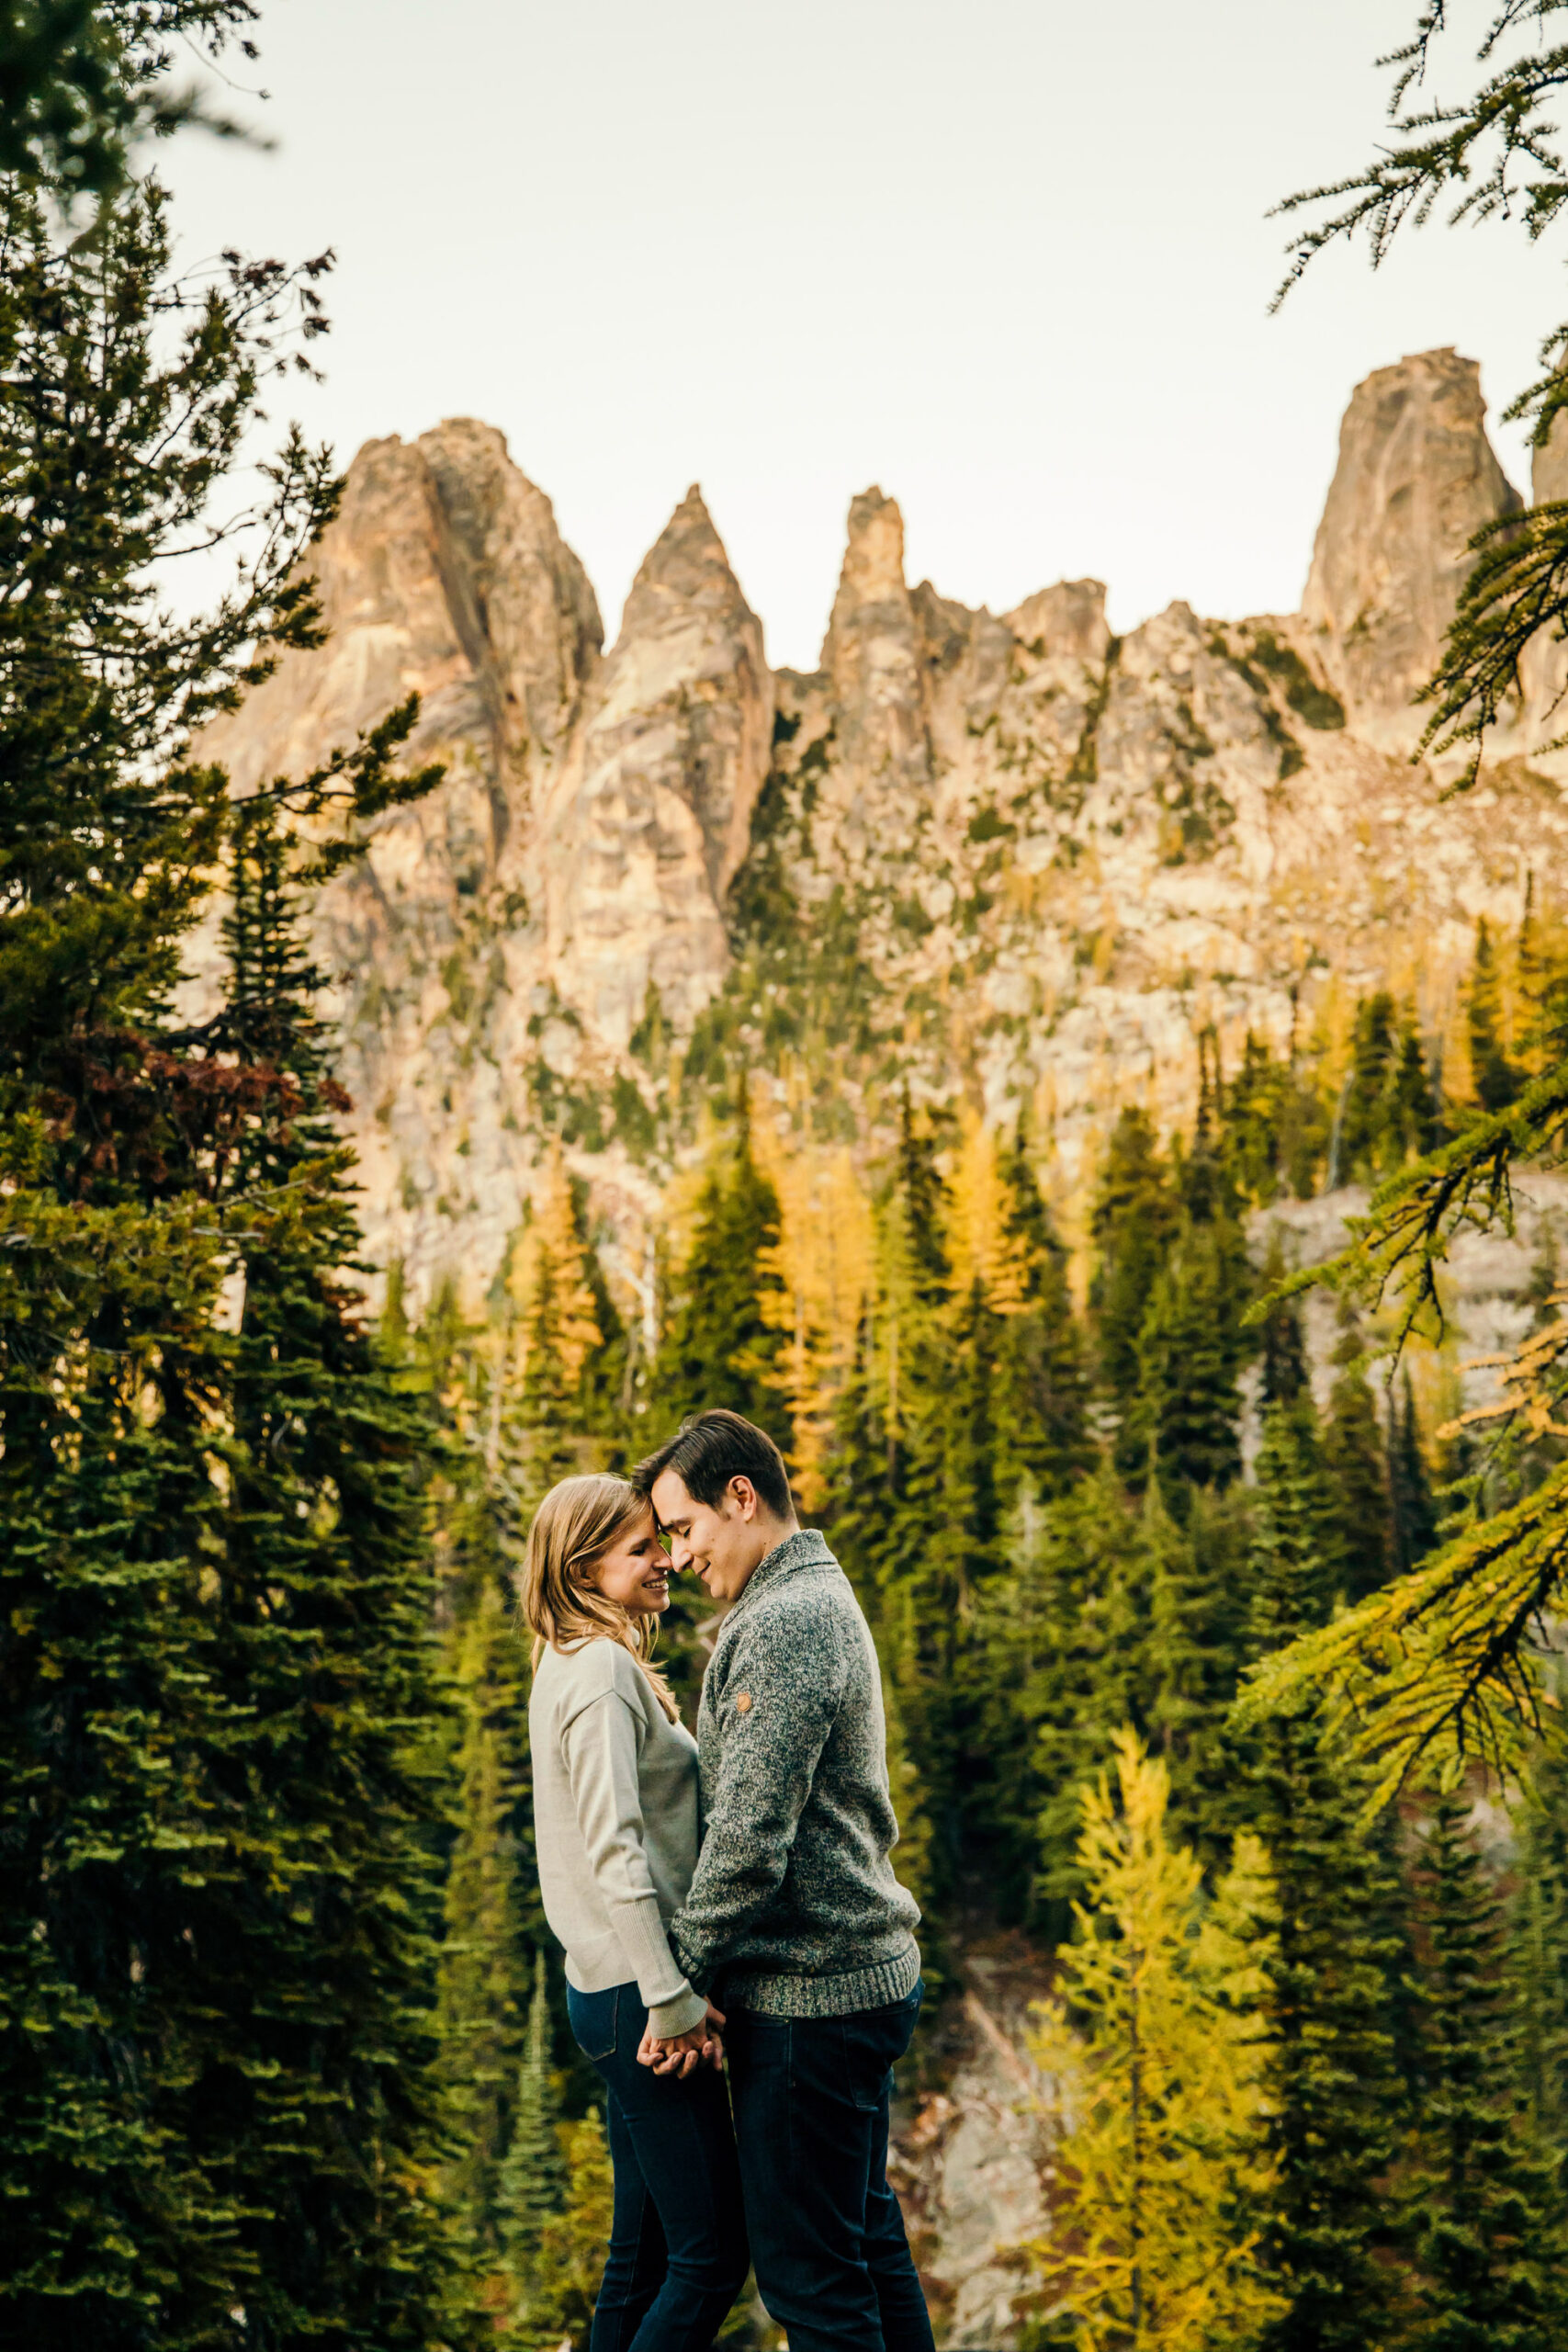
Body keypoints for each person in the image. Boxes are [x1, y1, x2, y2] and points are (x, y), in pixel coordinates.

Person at [634, 1410, 935, 2352]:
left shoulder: (789, 1621)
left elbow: (749, 1839)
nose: (677, 1558)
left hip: (813, 2000)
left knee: (811, 2284)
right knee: (862, 2246)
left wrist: (677, 1986)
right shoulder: (798, 1600)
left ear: (741, 1496)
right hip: (848, 1983)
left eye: (682, 1530)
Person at [522, 1472, 748, 2352]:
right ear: (583, 1571)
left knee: (644, 2252)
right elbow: (616, 1851)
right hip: (635, 1993)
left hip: (609, 1988)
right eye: (639, 1549)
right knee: (708, 2258)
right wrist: (673, 1999)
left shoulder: (571, 1660)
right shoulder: (603, 1672)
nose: (664, 1559)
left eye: (660, 1539)